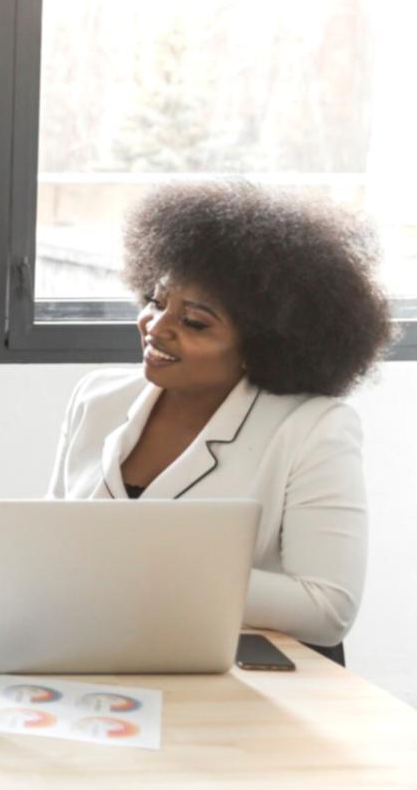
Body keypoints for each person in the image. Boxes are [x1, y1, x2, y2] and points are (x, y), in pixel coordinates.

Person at [48, 181, 393, 661]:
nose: (156, 326)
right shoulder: (97, 398)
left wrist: (153, 574)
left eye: (194, 322)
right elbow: (49, 546)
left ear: (264, 344)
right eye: (155, 300)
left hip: (239, 678)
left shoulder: (313, 429)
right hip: (100, 658)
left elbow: (327, 607)